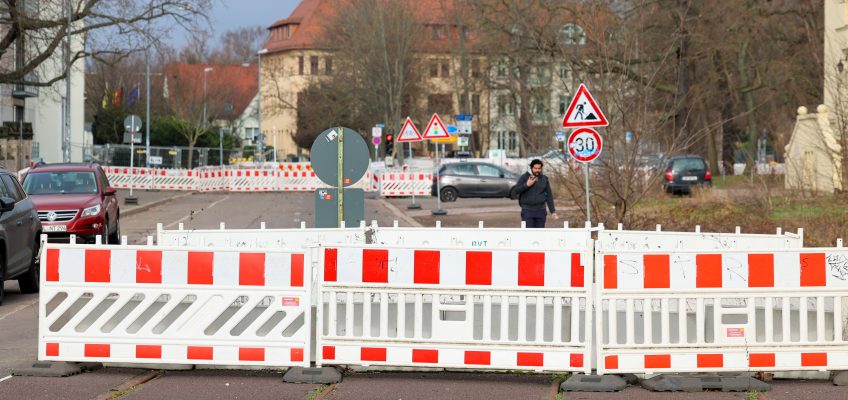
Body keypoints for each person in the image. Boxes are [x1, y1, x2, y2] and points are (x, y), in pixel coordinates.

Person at [512, 159, 558, 228]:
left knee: (539, 235)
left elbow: (549, 196)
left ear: (541, 169)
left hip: (541, 211)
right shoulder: (524, 177)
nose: (537, 170)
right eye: (535, 168)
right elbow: (516, 191)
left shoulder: (544, 179)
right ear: (531, 168)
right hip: (527, 211)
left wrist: (553, 211)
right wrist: (527, 185)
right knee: (529, 235)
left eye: (539, 168)